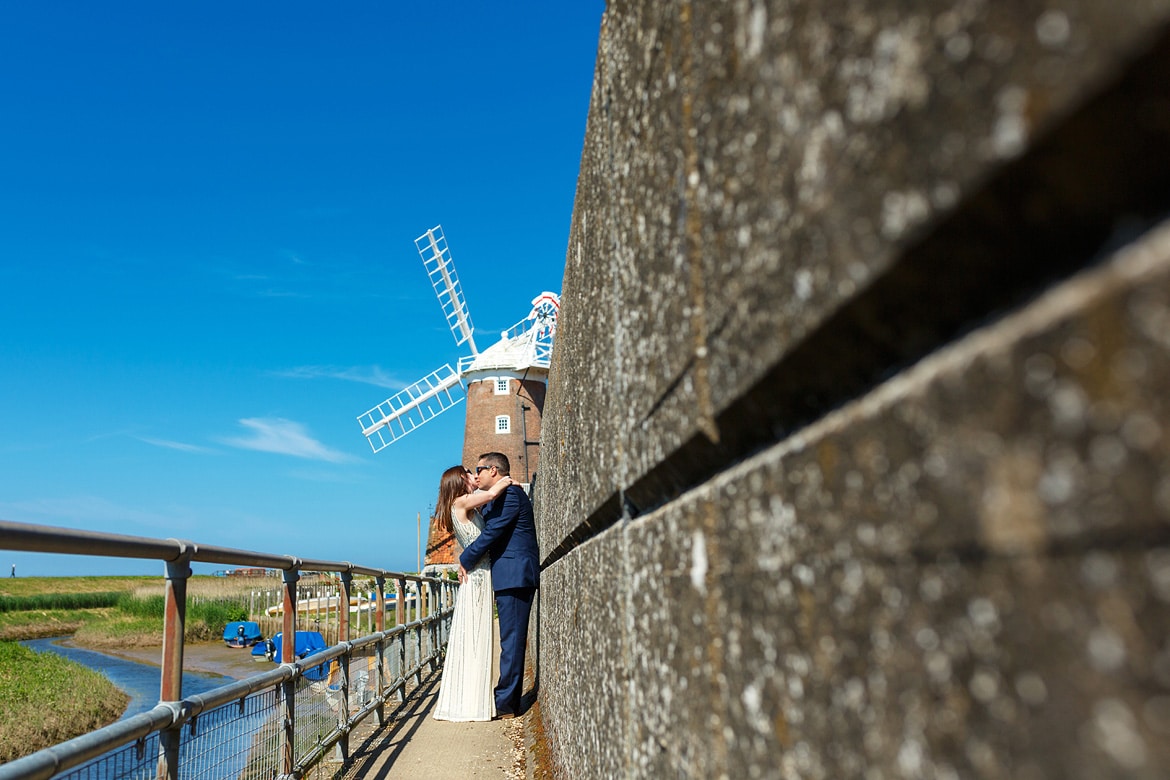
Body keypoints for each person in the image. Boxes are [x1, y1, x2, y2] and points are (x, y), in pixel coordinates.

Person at [458, 452, 538, 720]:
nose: (476, 474)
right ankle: (504, 698)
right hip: (508, 575)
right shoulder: (498, 497)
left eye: (479, 469)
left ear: (494, 470)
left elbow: (492, 533)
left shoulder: (511, 495)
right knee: (509, 639)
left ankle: (505, 703)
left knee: (512, 641)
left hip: (515, 575)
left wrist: (465, 559)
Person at [432, 464, 514, 722]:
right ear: (459, 481)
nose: (473, 476)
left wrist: (463, 560)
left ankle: (471, 698)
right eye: (468, 474)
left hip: (477, 574)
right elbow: (491, 495)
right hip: (478, 578)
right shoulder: (462, 501)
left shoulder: (462, 505)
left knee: (474, 635)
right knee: (476, 636)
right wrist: (507, 479)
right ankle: (473, 702)